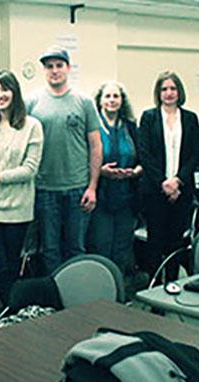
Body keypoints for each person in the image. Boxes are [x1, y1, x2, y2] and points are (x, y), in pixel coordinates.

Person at [26, 45, 102, 273]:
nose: (55, 71)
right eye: (49, 67)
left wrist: (92, 187)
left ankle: (75, 298)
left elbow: (96, 146)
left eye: (59, 66)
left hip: (78, 189)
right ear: (44, 70)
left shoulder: (84, 101)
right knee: (49, 249)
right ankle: (55, 302)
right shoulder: (32, 102)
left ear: (68, 68)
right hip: (44, 189)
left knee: (75, 248)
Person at [0, 70, 43, 304]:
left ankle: (10, 310)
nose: (0, 95)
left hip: (19, 209)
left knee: (13, 265)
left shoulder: (32, 126)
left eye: (4, 89)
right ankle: (12, 309)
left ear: (15, 92)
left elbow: (29, 170)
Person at [138, 71, 199, 281]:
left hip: (181, 191)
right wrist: (163, 183)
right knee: (155, 242)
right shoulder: (149, 117)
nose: (169, 93)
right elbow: (144, 154)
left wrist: (177, 181)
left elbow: (194, 155)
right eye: (164, 89)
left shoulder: (191, 118)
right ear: (158, 92)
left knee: (176, 241)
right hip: (155, 192)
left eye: (173, 88)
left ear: (179, 91)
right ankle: (154, 288)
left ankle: (172, 284)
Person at [86, 81, 143, 280]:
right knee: (101, 246)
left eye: (116, 96)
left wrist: (136, 171)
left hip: (127, 198)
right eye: (107, 96)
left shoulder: (130, 127)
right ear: (100, 101)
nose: (112, 100)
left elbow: (142, 158)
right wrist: (99, 171)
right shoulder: (93, 127)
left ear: (122, 101)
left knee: (122, 248)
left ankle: (118, 293)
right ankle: (101, 291)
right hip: (101, 197)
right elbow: (84, 158)